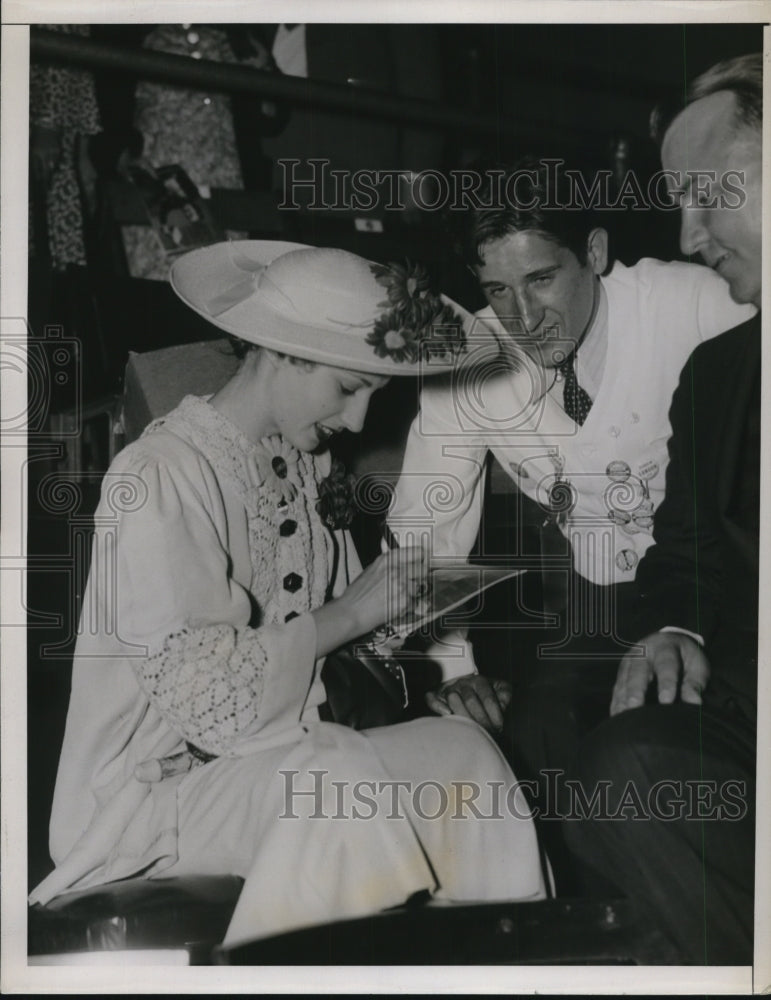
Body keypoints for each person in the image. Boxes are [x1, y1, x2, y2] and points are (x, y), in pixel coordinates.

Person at [28, 241, 546, 947]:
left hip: (281, 756)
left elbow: (336, 657)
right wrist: (355, 610)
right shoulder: (156, 475)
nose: (361, 421)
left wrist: (410, 652)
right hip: (159, 798)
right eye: (347, 388)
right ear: (278, 352)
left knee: (466, 757)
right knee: (333, 781)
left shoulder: (302, 462)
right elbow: (214, 705)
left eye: (375, 393)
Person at [388, 156, 754, 739]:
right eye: (498, 290)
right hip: (601, 606)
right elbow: (424, 530)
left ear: (596, 252)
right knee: (541, 741)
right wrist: (456, 669)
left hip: (730, 586)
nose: (525, 318)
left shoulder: (699, 306)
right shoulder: (466, 363)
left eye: (541, 279)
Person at [564, 53, 762, 964]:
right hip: (745, 707)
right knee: (617, 771)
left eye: (704, 196)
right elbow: (683, 552)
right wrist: (674, 624)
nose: (687, 235)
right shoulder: (719, 373)